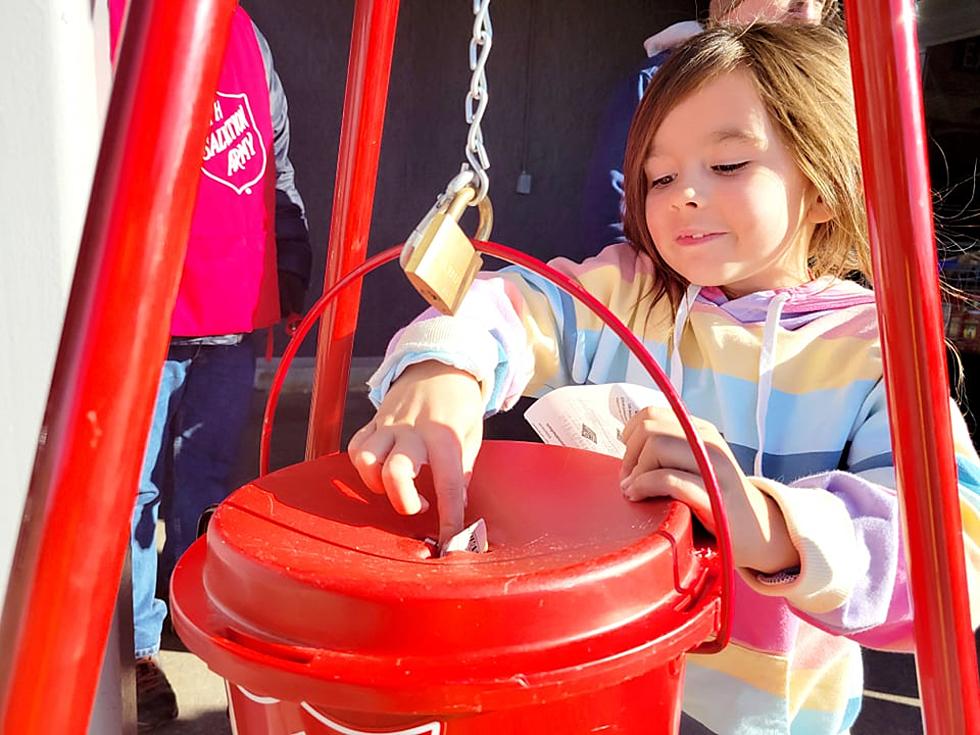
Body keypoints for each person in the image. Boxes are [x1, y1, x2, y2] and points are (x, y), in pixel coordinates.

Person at [348, 24, 980, 735]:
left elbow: (949, 561)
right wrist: (446, 365)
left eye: (730, 163)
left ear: (824, 186)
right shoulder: (628, 293)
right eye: (660, 175)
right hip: (595, 690)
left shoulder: (870, 350)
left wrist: (768, 526)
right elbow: (511, 302)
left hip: (769, 720)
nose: (684, 195)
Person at [107, 2, 313, 730]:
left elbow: (275, 163)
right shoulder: (108, 26)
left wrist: (290, 263)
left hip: (232, 304)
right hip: (139, 310)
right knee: (131, 492)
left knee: (205, 478)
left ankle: (190, 620)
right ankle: (135, 646)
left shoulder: (245, 35)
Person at [580, 0, 839, 256]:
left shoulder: (829, 89)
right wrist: (640, 282)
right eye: (663, 179)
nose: (807, 12)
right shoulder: (657, 82)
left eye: (821, 2)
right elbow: (612, 205)